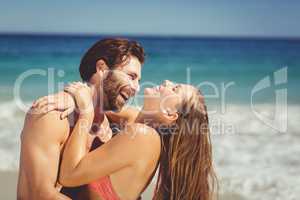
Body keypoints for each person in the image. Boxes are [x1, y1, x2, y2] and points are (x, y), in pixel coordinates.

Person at [39, 80, 218, 200]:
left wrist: (86, 113)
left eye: (174, 89)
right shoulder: (134, 121)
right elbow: (98, 102)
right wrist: (72, 100)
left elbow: (69, 175)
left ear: (170, 114)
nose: (166, 82)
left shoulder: (142, 136)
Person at [17, 38, 145, 200]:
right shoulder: (52, 115)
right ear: (101, 68)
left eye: (138, 81)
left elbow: (145, 117)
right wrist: (85, 111)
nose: (137, 88)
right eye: (131, 76)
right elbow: (37, 195)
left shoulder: (113, 125)